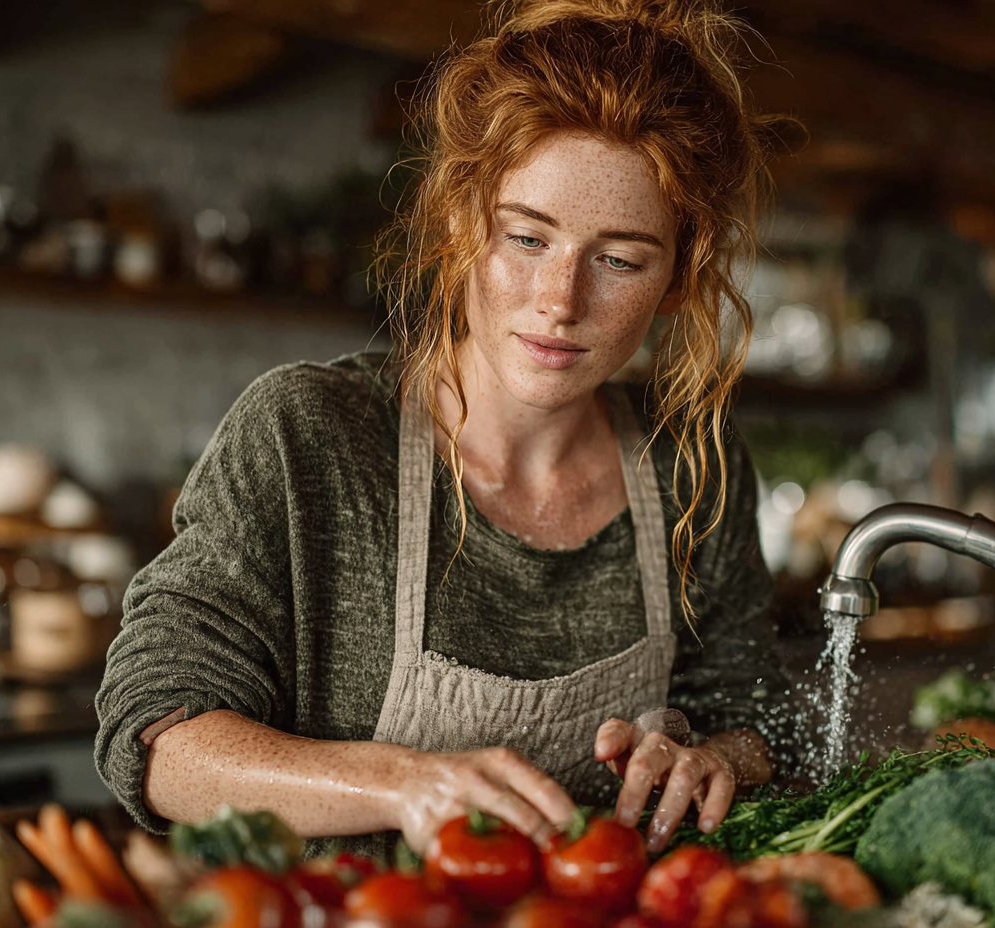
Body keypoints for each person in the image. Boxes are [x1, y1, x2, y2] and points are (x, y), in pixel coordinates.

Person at [95, 0, 798, 859]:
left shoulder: (694, 464)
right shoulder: (308, 437)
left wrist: (717, 756)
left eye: (618, 260)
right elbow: (156, 738)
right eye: (526, 238)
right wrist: (403, 781)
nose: (559, 301)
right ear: (463, 224)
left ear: (682, 276)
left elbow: (759, 714)